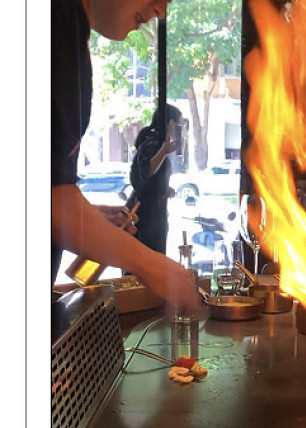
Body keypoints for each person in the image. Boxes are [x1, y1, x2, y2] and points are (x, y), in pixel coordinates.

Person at [51, 0, 203, 317]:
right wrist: (149, 264)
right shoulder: (55, 23)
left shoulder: (68, 27)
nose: (161, 11)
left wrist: (84, 218)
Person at [128, 104, 183, 254]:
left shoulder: (156, 143)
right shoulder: (152, 144)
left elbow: (152, 179)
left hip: (152, 212)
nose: (182, 131)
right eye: (180, 126)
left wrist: (164, 189)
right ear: (171, 123)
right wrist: (163, 152)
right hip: (146, 215)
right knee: (148, 256)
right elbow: (147, 171)